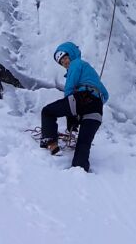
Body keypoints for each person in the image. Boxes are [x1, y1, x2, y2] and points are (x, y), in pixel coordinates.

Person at [40, 42, 109, 172]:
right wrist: (92, 103)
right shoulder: (91, 73)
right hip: (97, 110)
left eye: (65, 58)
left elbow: (69, 88)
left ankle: (51, 143)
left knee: (47, 111)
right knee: (83, 143)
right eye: (61, 62)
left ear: (71, 54)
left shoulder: (76, 64)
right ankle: (79, 169)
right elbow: (105, 95)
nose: (65, 62)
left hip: (82, 98)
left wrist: (71, 112)